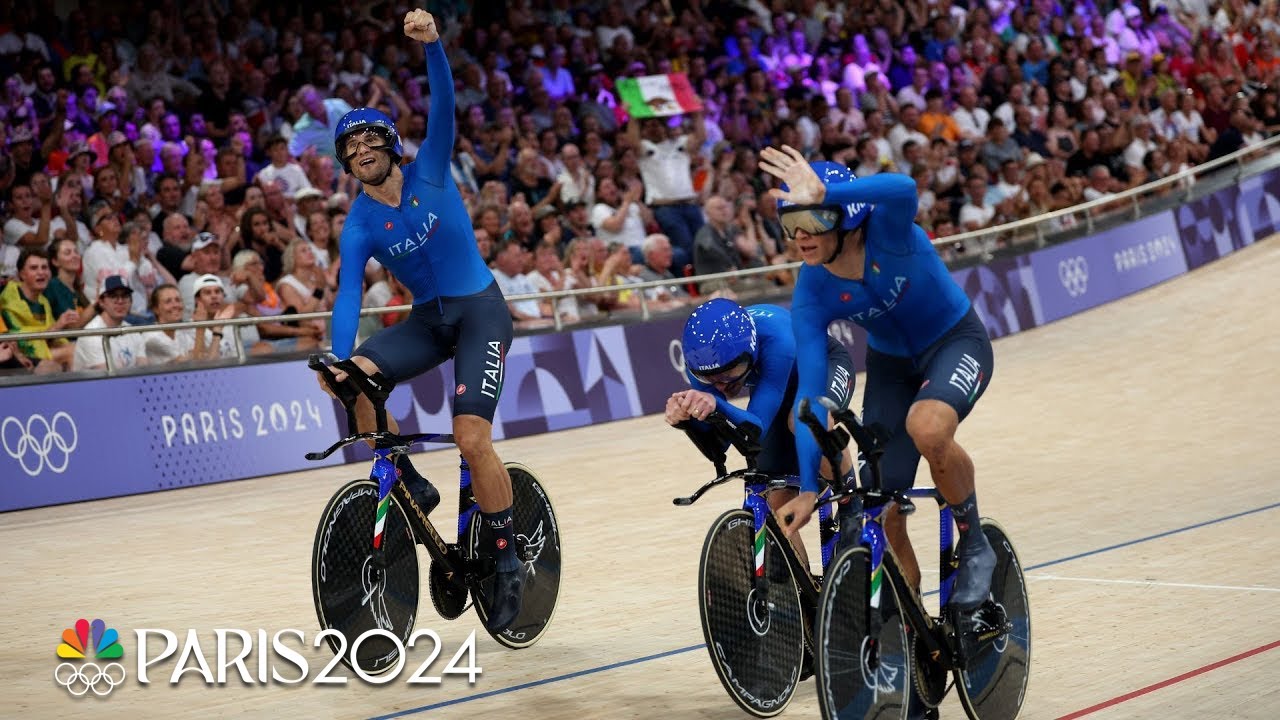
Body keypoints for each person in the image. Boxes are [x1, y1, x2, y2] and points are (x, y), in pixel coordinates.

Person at [321, 9, 522, 633]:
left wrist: (433, 46)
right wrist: (337, 355)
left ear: (389, 145)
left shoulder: (431, 167)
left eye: (367, 141)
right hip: (430, 320)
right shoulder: (357, 223)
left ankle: (508, 555)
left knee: (471, 439)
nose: (359, 152)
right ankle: (407, 478)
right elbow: (348, 295)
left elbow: (445, 108)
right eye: (348, 148)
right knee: (349, 376)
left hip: (481, 314)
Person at [757, 147, 997, 618]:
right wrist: (809, 487)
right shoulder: (811, 290)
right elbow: (810, 394)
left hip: (955, 342)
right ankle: (912, 632)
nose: (800, 237)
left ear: (846, 219)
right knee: (880, 506)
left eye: (813, 221)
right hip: (891, 368)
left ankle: (975, 544)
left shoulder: (888, 230)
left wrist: (829, 192)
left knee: (927, 428)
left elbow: (904, 188)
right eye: (790, 225)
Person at [666, 298, 853, 564]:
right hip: (775, 386)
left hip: (821, 365)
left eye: (732, 372)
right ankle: (799, 594)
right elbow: (721, 444)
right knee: (776, 507)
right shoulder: (701, 362)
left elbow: (757, 428)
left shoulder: (777, 340)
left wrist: (715, 403)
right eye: (710, 380)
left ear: (751, 353)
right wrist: (686, 420)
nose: (721, 385)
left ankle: (852, 504)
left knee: (804, 419)